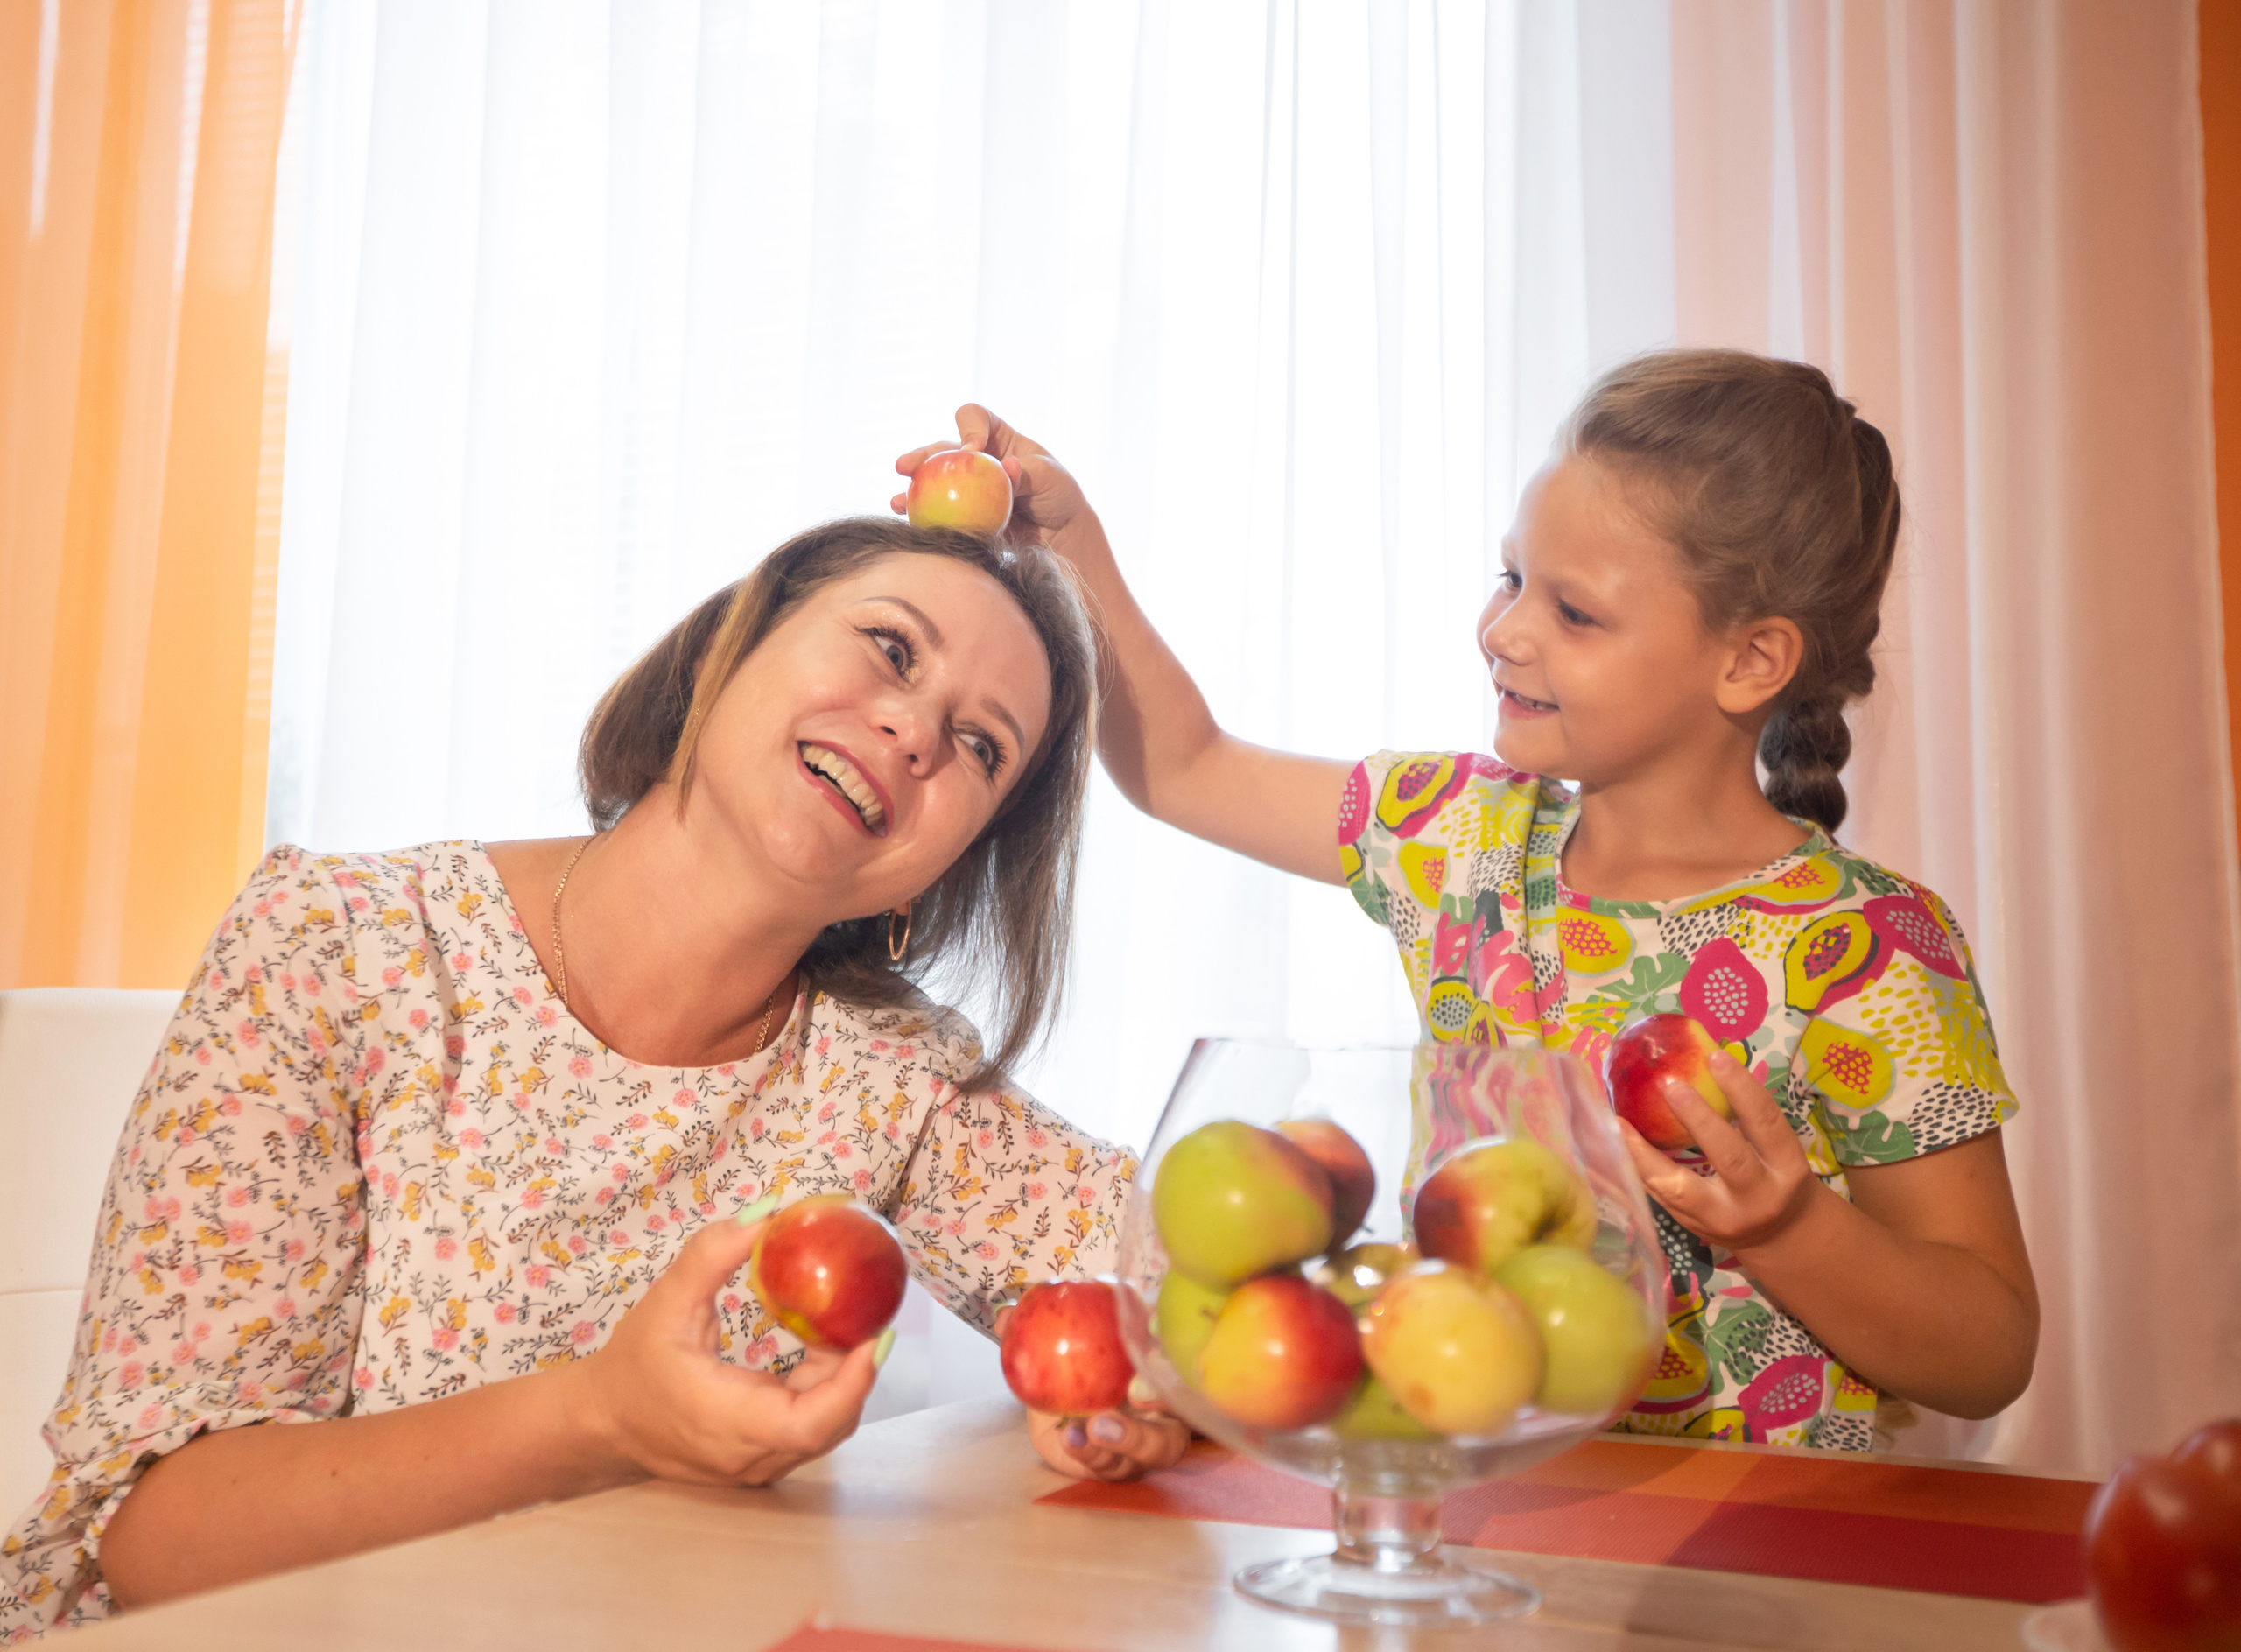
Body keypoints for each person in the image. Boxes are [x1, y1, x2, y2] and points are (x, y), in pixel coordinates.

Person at [0, 518, 1184, 1635]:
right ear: (725, 650)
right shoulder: (340, 944)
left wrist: (1147, 1393)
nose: (917, 731)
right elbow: (155, 1541)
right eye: (890, 647)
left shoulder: (893, 1074)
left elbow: (1193, 1287)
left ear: (947, 867)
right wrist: (601, 1417)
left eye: (980, 746)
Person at [899, 352, 2038, 1451]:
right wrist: (1073, 548)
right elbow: (1185, 768)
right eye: (1511, 579)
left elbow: (1988, 1351)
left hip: (1760, 1542)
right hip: (1488, 1503)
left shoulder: (1873, 948)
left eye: (1574, 613)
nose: (1505, 632)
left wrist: (1788, 1227)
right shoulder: (1456, 835)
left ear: (1750, 662)